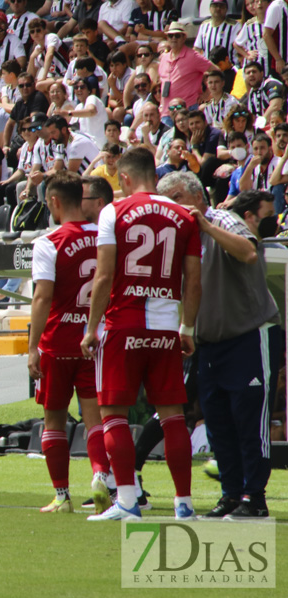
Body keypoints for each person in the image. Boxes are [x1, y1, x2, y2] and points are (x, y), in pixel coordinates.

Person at [80, 147, 203, 521]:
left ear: (126, 178)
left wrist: (90, 328)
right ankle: (184, 504)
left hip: (123, 323)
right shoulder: (184, 216)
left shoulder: (112, 212)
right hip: (166, 326)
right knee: (172, 416)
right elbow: (194, 279)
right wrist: (187, 328)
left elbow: (103, 276)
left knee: (112, 413)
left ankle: (129, 501)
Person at [157, 176, 280, 520]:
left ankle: (254, 496)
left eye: (177, 197)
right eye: (166, 200)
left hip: (246, 334)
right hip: (209, 343)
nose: (173, 206)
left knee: (249, 418)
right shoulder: (179, 236)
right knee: (217, 422)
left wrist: (206, 226)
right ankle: (230, 493)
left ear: (197, 196)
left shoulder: (222, 219)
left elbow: (249, 253)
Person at [28, 172, 113, 513]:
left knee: (54, 421)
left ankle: (62, 496)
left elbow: (42, 297)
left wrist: (32, 347)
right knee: (96, 419)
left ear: (54, 202)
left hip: (58, 342)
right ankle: (100, 476)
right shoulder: (105, 238)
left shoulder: (49, 242)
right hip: (95, 341)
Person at [159, 23, 214, 119]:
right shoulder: (164, 58)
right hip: (166, 113)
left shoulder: (193, 56)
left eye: (177, 35)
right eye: (170, 35)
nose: (173, 38)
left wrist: (207, 94)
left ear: (184, 37)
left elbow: (216, 71)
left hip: (188, 110)